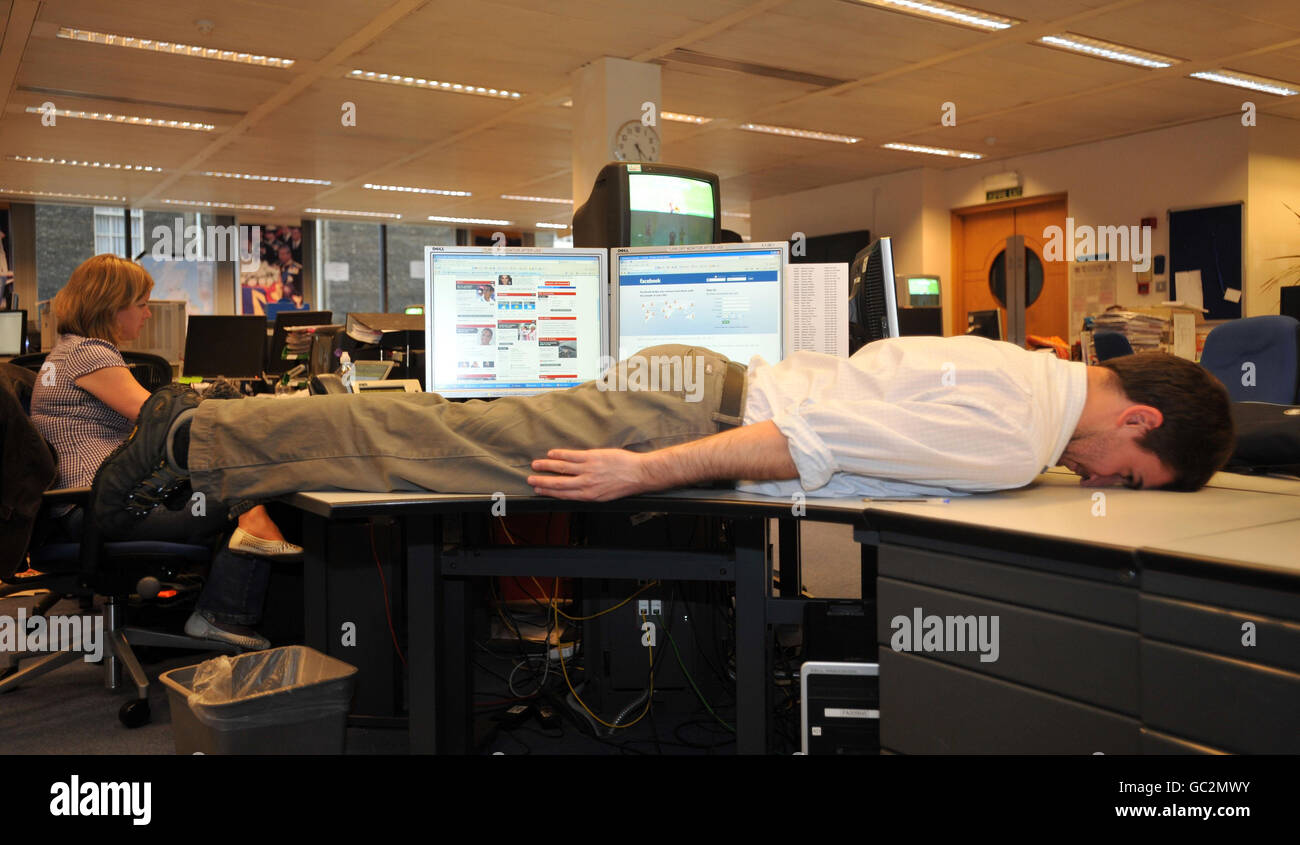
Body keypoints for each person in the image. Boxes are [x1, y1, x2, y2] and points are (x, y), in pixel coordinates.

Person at [90, 336, 1235, 538]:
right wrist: (642, 470)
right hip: (699, 417)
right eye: (1124, 465)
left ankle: (212, 440)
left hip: (698, 388)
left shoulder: (1025, 369)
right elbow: (802, 439)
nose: (1098, 477)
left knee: (440, 433)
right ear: (1135, 414)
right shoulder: (1015, 432)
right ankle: (199, 439)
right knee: (426, 444)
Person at [31, 254, 301, 650]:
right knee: (234, 489)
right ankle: (221, 615)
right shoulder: (90, 354)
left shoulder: (65, 353)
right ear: (111, 306)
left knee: (222, 482)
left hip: (81, 506)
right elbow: (163, 422)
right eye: (141, 304)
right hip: (97, 510)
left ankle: (250, 523)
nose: (147, 315)